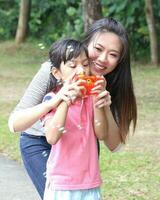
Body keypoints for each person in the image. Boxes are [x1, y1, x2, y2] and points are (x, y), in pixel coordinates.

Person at [8, 17, 137, 199]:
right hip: (40, 140)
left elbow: (114, 145)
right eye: (98, 49)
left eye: (113, 54)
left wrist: (104, 106)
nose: (102, 59)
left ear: (119, 61)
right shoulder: (53, 70)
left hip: (81, 145)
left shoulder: (109, 83)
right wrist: (55, 101)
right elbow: (14, 123)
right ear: (86, 44)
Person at [42, 38, 106, 200]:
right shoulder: (51, 99)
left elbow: (102, 134)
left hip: (90, 183)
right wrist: (65, 100)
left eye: (85, 65)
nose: (81, 71)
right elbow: (52, 137)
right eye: (72, 65)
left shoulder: (91, 99)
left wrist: (98, 100)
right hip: (61, 185)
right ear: (57, 73)